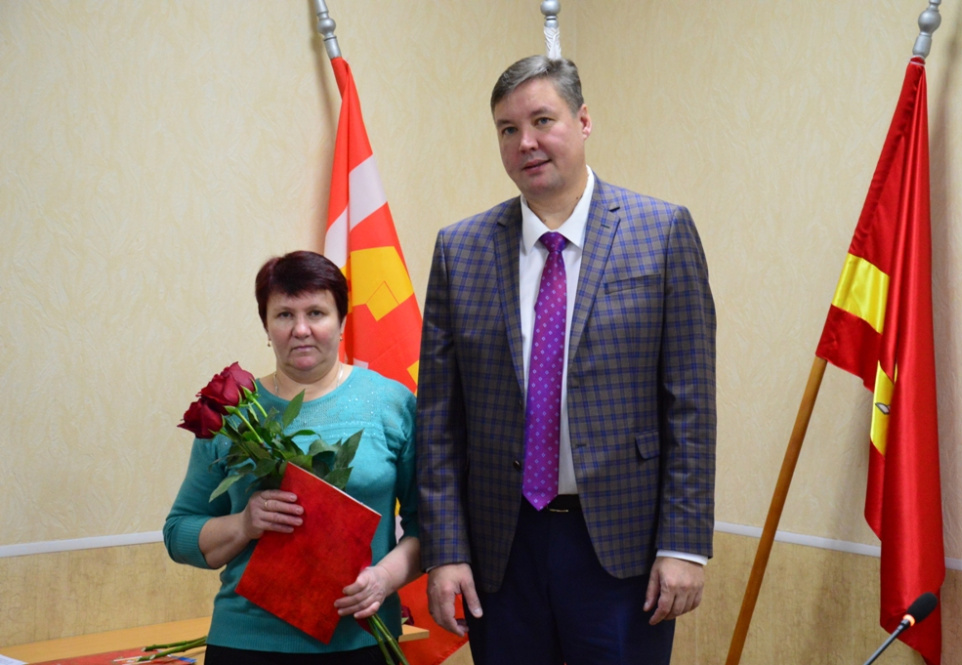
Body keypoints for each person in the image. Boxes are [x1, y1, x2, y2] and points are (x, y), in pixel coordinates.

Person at [416, 56, 716, 665]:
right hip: (501, 552)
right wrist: (445, 550)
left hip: (622, 549)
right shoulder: (459, 250)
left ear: (583, 121)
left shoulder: (661, 232)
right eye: (507, 129)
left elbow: (690, 404)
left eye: (542, 120)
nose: (525, 142)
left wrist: (684, 544)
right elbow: (439, 420)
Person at [164, 250, 420, 665]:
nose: (301, 329)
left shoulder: (391, 403)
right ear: (266, 326)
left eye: (316, 312)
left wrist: (383, 579)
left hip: (363, 640)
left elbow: (430, 526)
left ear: (342, 322)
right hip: (247, 644)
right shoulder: (235, 415)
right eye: (284, 315)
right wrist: (244, 524)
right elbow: (179, 533)